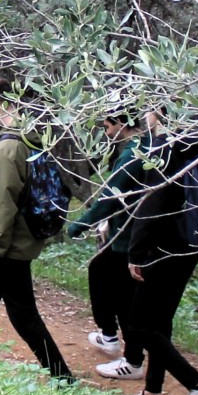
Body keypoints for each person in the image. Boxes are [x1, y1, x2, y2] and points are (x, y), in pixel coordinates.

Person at [0, 73, 75, 380]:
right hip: (25, 237)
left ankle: (62, 377)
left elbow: (1, 202)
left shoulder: (7, 149)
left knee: (23, 314)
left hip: (10, 245)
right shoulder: (33, 137)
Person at [108, 116, 198, 395]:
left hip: (162, 248)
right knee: (160, 324)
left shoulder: (164, 150)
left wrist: (135, 253)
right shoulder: (194, 147)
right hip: (187, 245)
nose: (146, 115)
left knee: (140, 326)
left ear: (160, 114)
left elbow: (151, 206)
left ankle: (196, 382)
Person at [77, 105, 146, 366]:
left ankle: (129, 355)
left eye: (107, 127)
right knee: (107, 277)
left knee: (114, 285)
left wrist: (78, 225)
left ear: (120, 123)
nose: (106, 133)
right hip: (129, 234)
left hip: (130, 237)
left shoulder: (132, 155)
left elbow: (109, 198)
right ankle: (113, 339)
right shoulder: (141, 147)